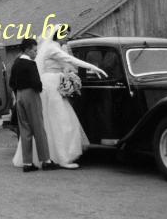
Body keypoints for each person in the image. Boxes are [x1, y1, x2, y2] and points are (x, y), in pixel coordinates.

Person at [13, 29, 107, 169]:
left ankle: (38, 159)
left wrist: (69, 76)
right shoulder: (52, 48)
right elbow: (71, 60)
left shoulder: (57, 48)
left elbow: (67, 64)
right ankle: (58, 157)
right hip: (50, 86)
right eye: (65, 35)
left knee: (54, 121)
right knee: (58, 121)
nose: (68, 37)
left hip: (55, 84)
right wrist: (92, 67)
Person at [9, 39, 60, 172]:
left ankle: (27, 163)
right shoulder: (30, 64)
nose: (36, 53)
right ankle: (46, 160)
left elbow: (11, 82)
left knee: (25, 129)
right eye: (34, 50)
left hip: (19, 96)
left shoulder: (16, 63)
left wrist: (17, 93)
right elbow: (36, 83)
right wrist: (40, 88)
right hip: (31, 95)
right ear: (27, 50)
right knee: (38, 128)